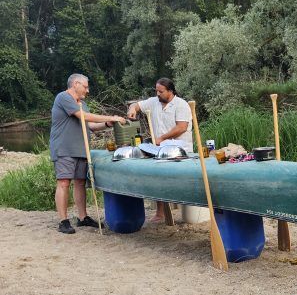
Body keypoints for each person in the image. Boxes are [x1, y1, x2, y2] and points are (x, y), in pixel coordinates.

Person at [50, 73, 127, 234]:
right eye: (85, 87)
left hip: (82, 149)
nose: (88, 90)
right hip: (64, 149)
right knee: (64, 182)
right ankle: (63, 221)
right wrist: (110, 115)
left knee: (80, 183)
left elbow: (90, 125)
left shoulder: (83, 103)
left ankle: (83, 217)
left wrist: (107, 123)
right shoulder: (63, 98)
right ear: (75, 84)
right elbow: (82, 116)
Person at [127, 77, 193, 222]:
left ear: (170, 91)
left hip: (180, 149)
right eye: (156, 90)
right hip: (161, 149)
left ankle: (186, 210)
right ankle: (160, 212)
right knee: (158, 176)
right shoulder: (154, 102)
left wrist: (161, 138)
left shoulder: (181, 105)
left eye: (161, 91)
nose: (158, 94)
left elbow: (182, 127)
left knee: (179, 180)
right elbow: (136, 105)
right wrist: (132, 109)